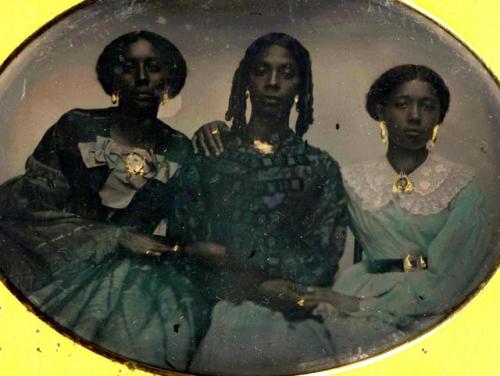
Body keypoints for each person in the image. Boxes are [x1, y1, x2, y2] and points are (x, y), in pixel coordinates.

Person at [0, 31, 211, 371]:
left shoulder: (180, 148)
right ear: (112, 78)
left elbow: (190, 230)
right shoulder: (75, 127)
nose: (142, 78)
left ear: (169, 80)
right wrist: (113, 239)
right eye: (129, 67)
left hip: (144, 279)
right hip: (67, 268)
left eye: (154, 68)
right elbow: (29, 211)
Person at [300, 64, 494, 365]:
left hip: (433, 307)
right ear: (381, 111)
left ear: (438, 118)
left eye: (427, 107)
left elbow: (449, 282)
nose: (414, 116)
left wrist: (359, 305)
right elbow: (298, 224)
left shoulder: (464, 186)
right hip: (358, 290)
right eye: (402, 104)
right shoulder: (351, 180)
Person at [185, 32, 349, 375]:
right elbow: (190, 236)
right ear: (246, 81)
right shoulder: (211, 154)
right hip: (213, 300)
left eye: (287, 74)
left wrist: (269, 285)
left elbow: (323, 253)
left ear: (301, 89)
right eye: (261, 71)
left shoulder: (319, 167)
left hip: (289, 305)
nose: (273, 83)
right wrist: (249, 283)